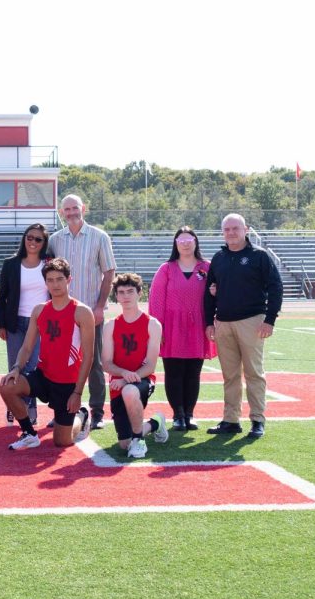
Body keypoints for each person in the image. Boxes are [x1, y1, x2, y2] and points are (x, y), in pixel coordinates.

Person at [204, 213, 283, 439]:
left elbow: (276, 287)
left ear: (246, 229)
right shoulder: (219, 258)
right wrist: (209, 322)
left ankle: (257, 419)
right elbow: (209, 292)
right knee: (230, 376)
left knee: (254, 373)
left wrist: (269, 320)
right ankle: (230, 420)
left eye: (235, 228)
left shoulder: (259, 256)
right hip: (224, 322)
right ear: (222, 232)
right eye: (227, 229)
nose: (231, 232)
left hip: (252, 321)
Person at [0, 258, 93, 449]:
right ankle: (29, 433)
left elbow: (89, 356)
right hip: (43, 376)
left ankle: (81, 417)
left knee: (61, 442)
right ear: (45, 282)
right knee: (7, 386)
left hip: (67, 383)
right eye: (50, 280)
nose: (55, 284)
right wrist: (16, 368)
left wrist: (77, 392)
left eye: (59, 279)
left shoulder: (82, 312)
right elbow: (26, 347)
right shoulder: (39, 310)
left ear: (69, 280)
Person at [48, 194, 116, 431]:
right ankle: (61, 409)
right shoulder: (55, 240)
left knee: (94, 362)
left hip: (89, 312)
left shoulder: (99, 236)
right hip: (63, 313)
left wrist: (99, 306)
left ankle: (97, 412)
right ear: (61, 212)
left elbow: (109, 272)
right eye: (66, 209)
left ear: (83, 209)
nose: (71, 212)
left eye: (74, 208)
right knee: (62, 362)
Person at [148, 226, 217, 431]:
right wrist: (157, 328)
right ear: (175, 244)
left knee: (193, 372)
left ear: (196, 243)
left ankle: (190, 414)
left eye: (189, 240)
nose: (185, 244)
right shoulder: (166, 269)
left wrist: (215, 294)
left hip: (198, 325)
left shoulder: (207, 267)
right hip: (172, 326)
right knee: (174, 371)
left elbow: (217, 295)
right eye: (181, 240)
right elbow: (157, 300)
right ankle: (178, 414)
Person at [101, 273, 169, 459]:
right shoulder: (110, 326)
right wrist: (122, 375)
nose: (126, 296)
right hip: (118, 383)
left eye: (130, 291)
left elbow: (150, 365)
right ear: (116, 295)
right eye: (121, 292)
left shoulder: (152, 324)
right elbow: (106, 363)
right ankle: (156, 423)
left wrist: (127, 380)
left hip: (142, 380)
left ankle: (139, 441)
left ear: (140, 293)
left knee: (129, 391)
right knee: (124, 444)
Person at [0, 223, 50, 425]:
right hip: (15, 322)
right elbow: (2, 298)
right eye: (29, 237)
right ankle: (14, 407)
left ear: (44, 243)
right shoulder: (11, 263)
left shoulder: (49, 264)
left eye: (38, 239)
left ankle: (30, 407)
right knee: (15, 365)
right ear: (24, 239)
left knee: (33, 367)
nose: (33, 242)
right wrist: (1, 325)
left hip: (40, 322)